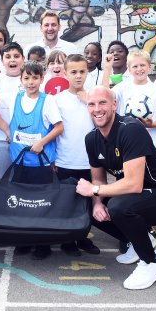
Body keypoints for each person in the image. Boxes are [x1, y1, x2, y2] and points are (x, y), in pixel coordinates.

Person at [76, 87, 156, 290]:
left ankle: (151, 263)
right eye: (91, 104)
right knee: (87, 204)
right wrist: (96, 202)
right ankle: (140, 239)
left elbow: (134, 184)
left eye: (103, 103)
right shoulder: (91, 139)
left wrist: (95, 191)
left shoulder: (130, 128)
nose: (97, 109)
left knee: (118, 206)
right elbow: (98, 180)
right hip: (137, 196)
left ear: (114, 105)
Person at [0, 61, 64, 259]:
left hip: (40, 163)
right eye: (27, 78)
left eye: (35, 78)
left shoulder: (47, 101)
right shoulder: (14, 98)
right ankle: (25, 240)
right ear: (21, 80)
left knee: (40, 203)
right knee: (22, 203)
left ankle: (42, 244)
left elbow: (59, 127)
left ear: (41, 79)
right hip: (19, 161)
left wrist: (42, 143)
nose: (31, 82)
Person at [53, 54, 103, 255]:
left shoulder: (93, 98)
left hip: (89, 161)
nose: (78, 76)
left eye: (82, 71)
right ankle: (68, 240)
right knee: (68, 202)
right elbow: (54, 129)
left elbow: (101, 124)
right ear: (65, 73)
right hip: (65, 159)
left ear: (88, 72)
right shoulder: (57, 99)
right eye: (73, 72)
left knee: (87, 201)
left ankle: (83, 236)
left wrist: (89, 101)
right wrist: (52, 159)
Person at [112, 50, 156, 149]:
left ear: (149, 67)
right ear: (129, 69)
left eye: (142, 65)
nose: (139, 69)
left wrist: (151, 124)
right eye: (135, 66)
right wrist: (107, 68)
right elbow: (106, 95)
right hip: (126, 142)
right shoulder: (122, 87)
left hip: (149, 143)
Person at [0, 43, 25, 181]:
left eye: (16, 56)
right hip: (0, 138)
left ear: (23, 58)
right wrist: (8, 130)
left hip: (24, 140)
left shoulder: (28, 80)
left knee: (23, 180)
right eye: (7, 57)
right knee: (4, 180)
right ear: (2, 61)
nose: (12, 60)